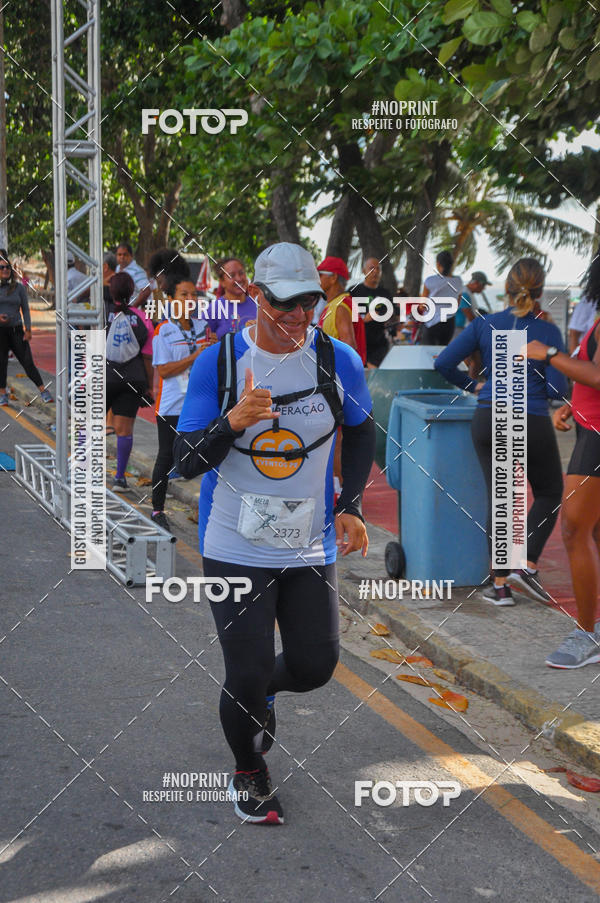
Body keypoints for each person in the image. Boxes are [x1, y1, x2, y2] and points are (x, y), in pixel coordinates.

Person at [173, 241, 375, 825]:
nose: (294, 318)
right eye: (282, 305)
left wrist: (354, 505)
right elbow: (184, 461)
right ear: (255, 296)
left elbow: (362, 433)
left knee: (315, 666)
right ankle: (249, 768)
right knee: (247, 668)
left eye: (307, 305)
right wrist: (231, 421)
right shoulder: (220, 361)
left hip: (309, 543)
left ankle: (262, 695)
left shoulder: (338, 361)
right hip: (234, 544)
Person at [435, 258, 568, 606]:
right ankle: (527, 561)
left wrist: (475, 385)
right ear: (539, 290)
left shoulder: (484, 324)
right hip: (531, 418)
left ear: (506, 288)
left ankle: (501, 586)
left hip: (489, 415)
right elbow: (557, 390)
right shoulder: (548, 331)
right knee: (550, 491)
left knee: (502, 498)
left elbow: (443, 363)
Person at [525, 270, 600, 668]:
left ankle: (586, 635)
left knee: (573, 529)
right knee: (593, 532)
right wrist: (577, 403)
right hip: (591, 426)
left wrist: (550, 355)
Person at [150, 274, 212, 530]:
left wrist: (211, 351)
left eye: (193, 295)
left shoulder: (203, 326)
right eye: (183, 295)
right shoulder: (164, 330)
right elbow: (164, 370)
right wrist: (197, 355)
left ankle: (207, 511)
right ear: (172, 299)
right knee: (165, 456)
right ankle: (157, 510)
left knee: (208, 457)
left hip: (199, 404)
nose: (190, 299)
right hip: (171, 405)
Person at [105, 272, 152, 492]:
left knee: (91, 426)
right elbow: (148, 357)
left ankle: (84, 471)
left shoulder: (101, 313)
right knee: (124, 431)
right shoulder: (142, 318)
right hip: (133, 380)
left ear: (110, 291)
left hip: (104, 376)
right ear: (132, 291)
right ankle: (120, 478)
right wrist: (149, 387)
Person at [0, 250, 53, 406]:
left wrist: (28, 329)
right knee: (2, 363)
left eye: (7, 267)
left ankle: (44, 391)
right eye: (1, 267)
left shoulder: (18, 288)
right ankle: (3, 394)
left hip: (16, 330)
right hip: (0, 332)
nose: (5, 270)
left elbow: (26, 309)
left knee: (27, 362)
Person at [317, 256, 367, 365]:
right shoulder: (336, 304)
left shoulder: (340, 307)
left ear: (333, 277)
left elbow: (349, 350)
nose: (317, 280)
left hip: (341, 378)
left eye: (320, 275)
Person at [350, 256, 395, 367]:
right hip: (359, 344)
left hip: (380, 344)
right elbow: (344, 317)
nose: (375, 272)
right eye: (371, 268)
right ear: (363, 271)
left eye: (378, 269)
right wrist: (363, 319)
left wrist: (389, 319)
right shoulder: (354, 292)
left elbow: (394, 315)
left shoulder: (385, 293)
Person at [200, 257, 257, 337]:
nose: (239, 278)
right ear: (222, 282)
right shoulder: (214, 309)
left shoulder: (258, 304)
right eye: (231, 275)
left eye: (241, 273)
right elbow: (201, 339)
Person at [419, 250, 464, 345]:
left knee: (427, 354)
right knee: (442, 353)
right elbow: (457, 304)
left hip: (431, 323)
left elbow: (423, 305)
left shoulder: (430, 281)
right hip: (449, 323)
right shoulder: (458, 281)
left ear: (438, 264)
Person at [567, 257, 600, 353]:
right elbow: (574, 334)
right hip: (588, 363)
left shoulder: (520, 332)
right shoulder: (590, 300)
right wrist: (575, 364)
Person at [116, 242, 153, 309]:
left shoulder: (137, 271)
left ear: (131, 256)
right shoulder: (117, 269)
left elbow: (146, 291)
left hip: (132, 314)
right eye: (119, 255)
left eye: (125, 254)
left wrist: (132, 308)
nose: (122, 257)